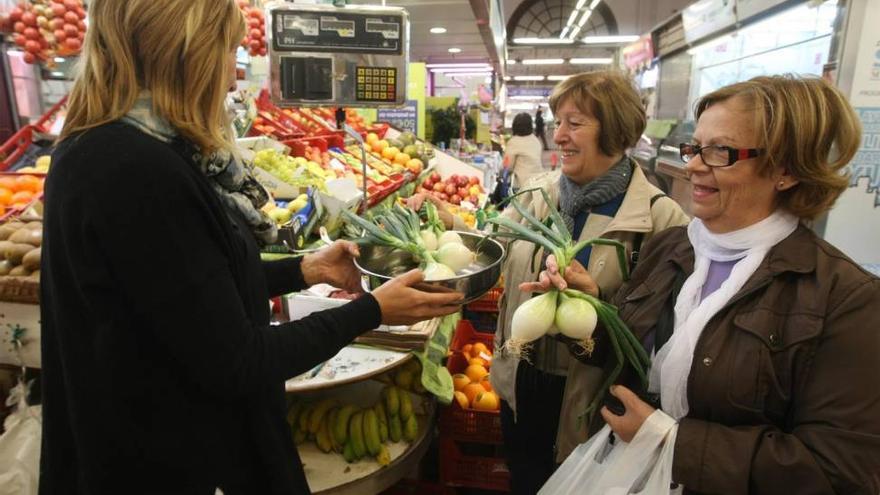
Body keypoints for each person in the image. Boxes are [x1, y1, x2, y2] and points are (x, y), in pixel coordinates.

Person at [39, 1, 462, 493]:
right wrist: (369, 311)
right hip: (164, 463)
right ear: (188, 53)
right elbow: (239, 362)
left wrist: (304, 270)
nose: (232, 79)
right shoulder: (136, 172)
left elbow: (184, 290)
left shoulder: (105, 149)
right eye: (229, 51)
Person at [534, 74, 880, 494]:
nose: (693, 165)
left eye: (720, 152)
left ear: (785, 170)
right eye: (695, 147)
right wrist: (588, 312)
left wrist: (671, 441)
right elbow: (631, 357)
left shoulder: (844, 299)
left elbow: (837, 469)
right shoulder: (672, 249)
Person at [410, 70, 689, 494]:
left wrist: (599, 303)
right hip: (521, 389)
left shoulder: (661, 220)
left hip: (593, 404)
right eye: (557, 122)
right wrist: (446, 223)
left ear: (614, 131)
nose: (558, 136)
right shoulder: (535, 195)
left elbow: (667, 332)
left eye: (575, 124)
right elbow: (492, 250)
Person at [504, 113, 544, 191]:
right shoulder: (535, 140)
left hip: (522, 185)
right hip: (539, 182)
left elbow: (507, 166)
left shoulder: (514, 142)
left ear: (514, 126)